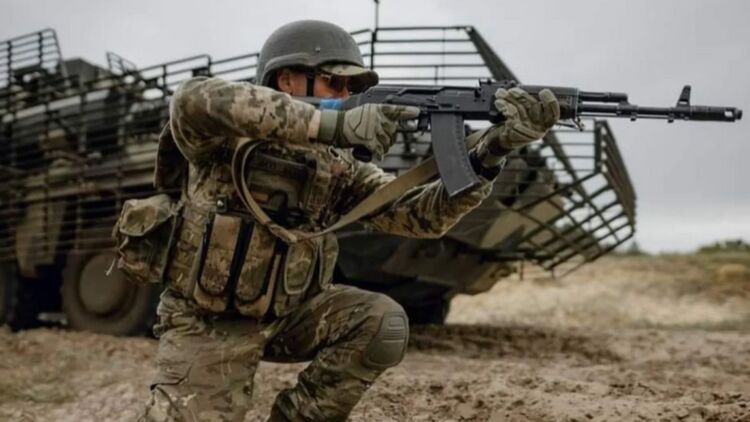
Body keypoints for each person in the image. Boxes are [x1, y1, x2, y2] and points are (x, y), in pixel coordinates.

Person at [139, 20, 559, 422]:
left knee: (381, 321)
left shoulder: (338, 165)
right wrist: (330, 122)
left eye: (351, 89)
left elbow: (420, 216)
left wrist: (490, 154)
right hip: (207, 323)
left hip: (289, 316)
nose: (345, 95)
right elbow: (191, 99)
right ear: (287, 80)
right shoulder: (222, 138)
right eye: (333, 83)